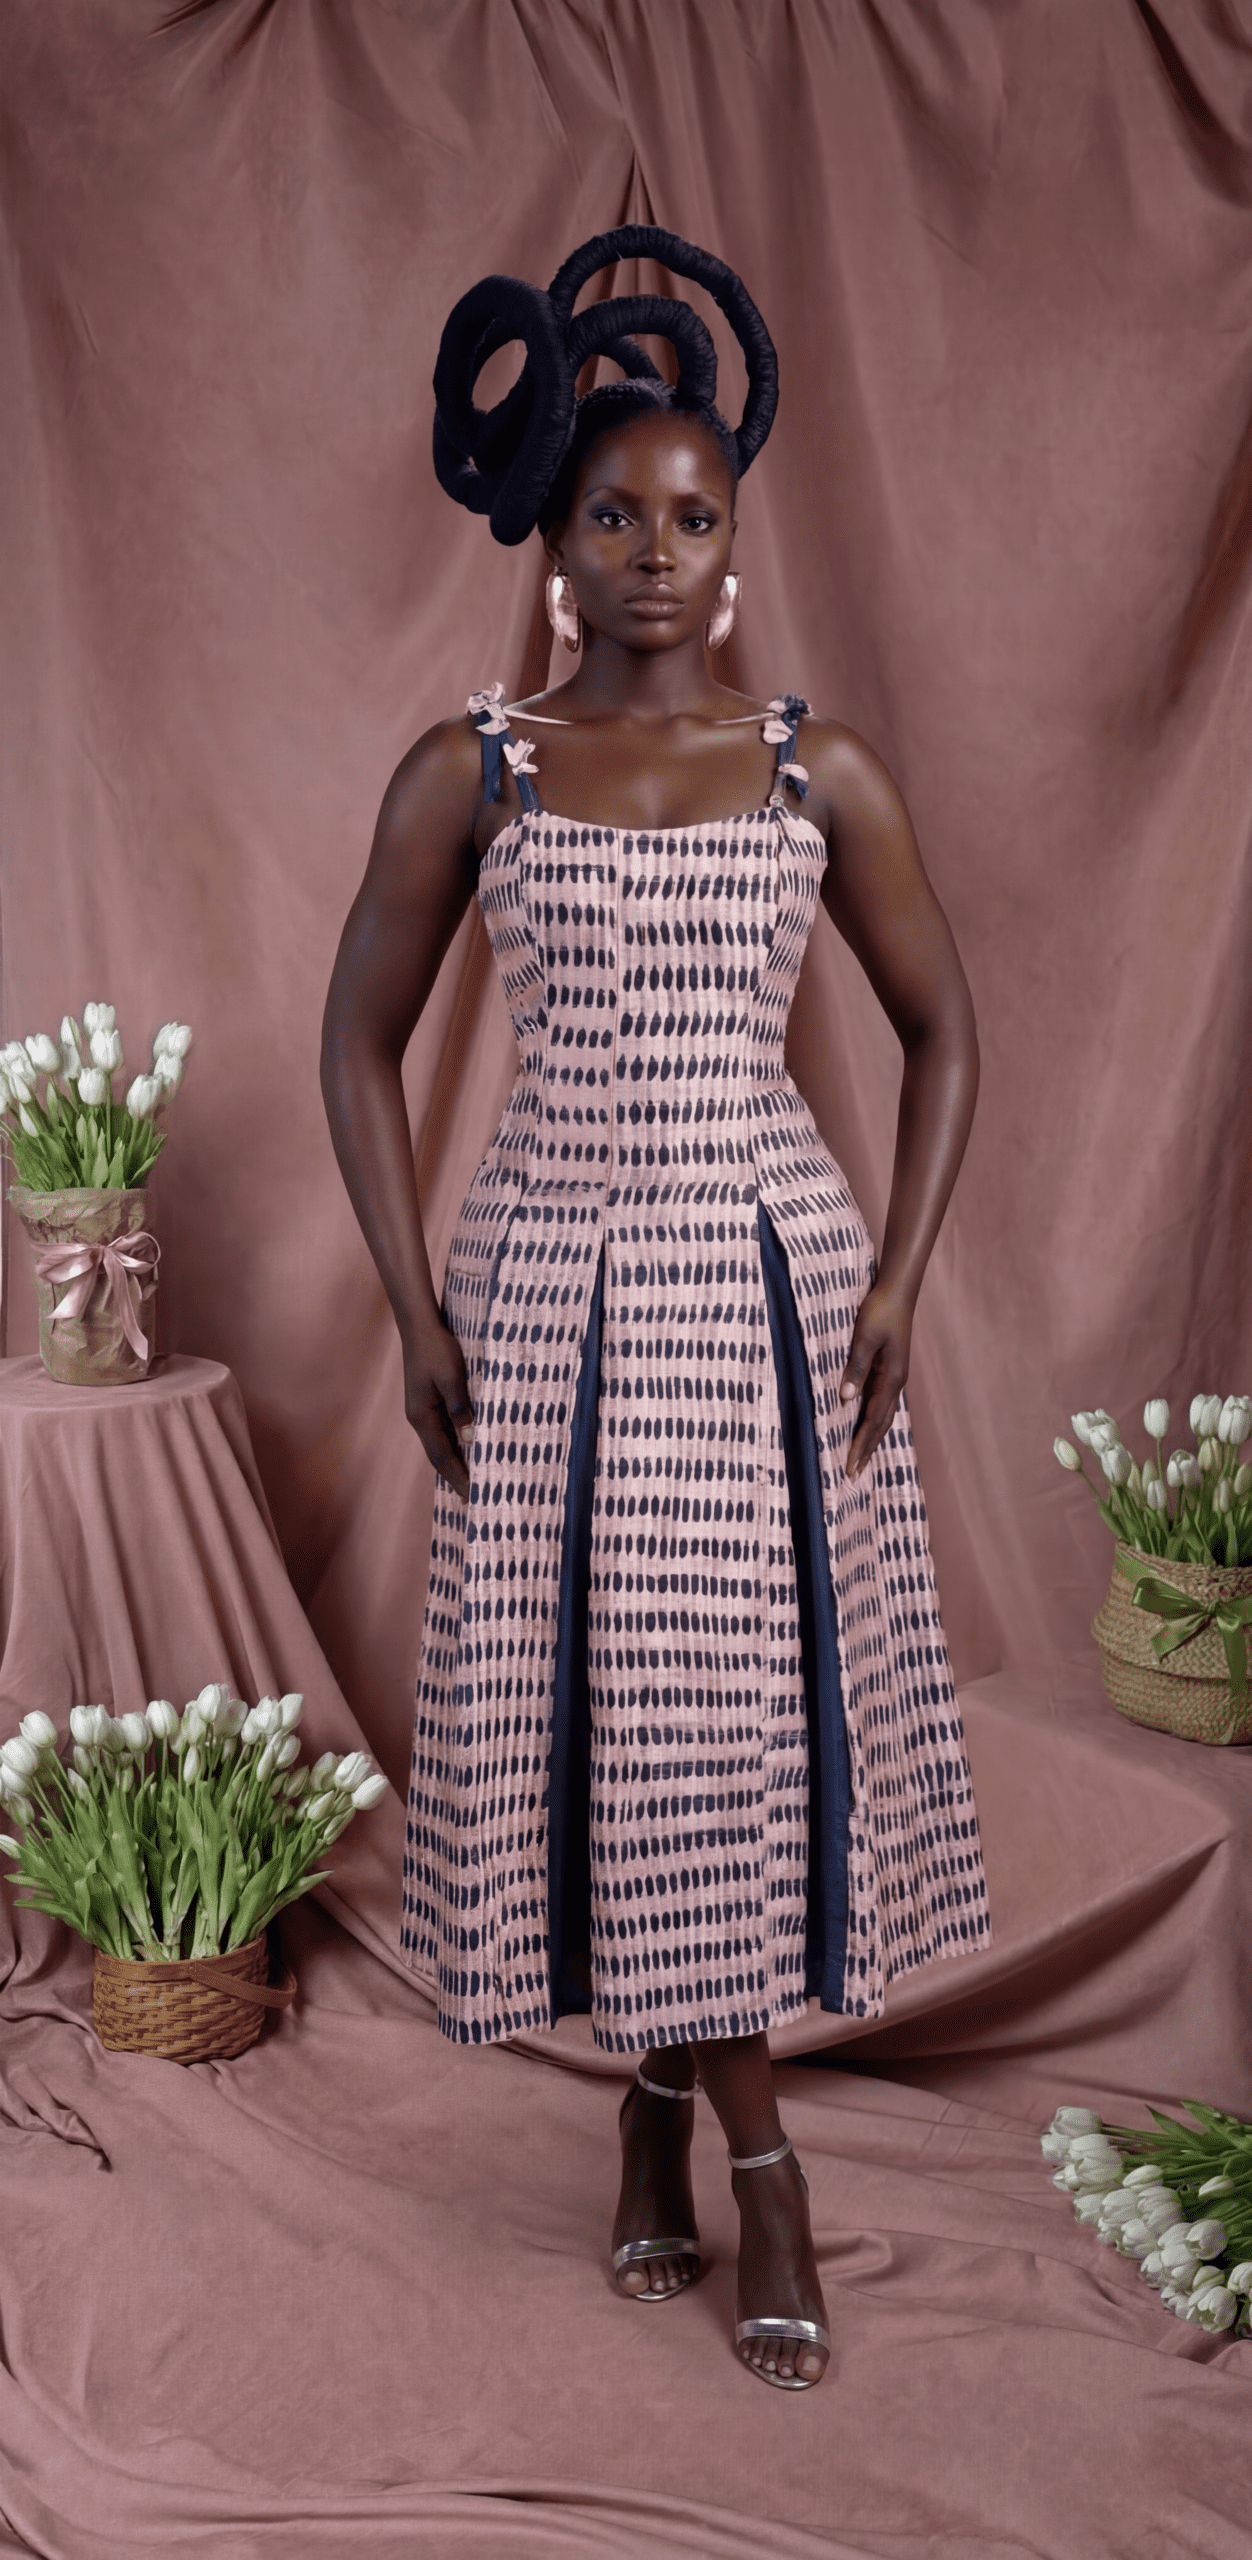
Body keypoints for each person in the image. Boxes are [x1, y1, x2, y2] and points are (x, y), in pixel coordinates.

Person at [321, 226, 990, 2391]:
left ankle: (709, 2139)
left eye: (690, 519)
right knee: (604, 1712)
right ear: (549, 539)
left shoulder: (816, 768)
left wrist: (899, 1274)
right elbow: (356, 1039)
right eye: (612, 515)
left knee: (721, 1721)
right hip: (546, 1287)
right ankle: (701, 2131)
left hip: (765, 1288)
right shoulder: (475, 769)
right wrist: (413, 1306)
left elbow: (944, 1033)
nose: (653, 555)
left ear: (733, 543)